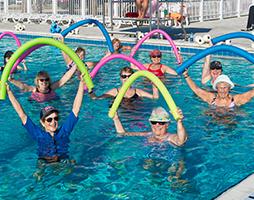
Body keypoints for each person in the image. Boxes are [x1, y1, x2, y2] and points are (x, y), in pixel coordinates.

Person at [6, 75, 85, 163]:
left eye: (55, 118)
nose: (53, 122)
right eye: (49, 119)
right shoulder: (38, 134)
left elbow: (75, 109)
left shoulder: (64, 131)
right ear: (43, 123)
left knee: (73, 163)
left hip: (63, 162)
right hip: (45, 163)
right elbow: (22, 114)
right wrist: (9, 92)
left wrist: (81, 84)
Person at [112, 107, 187, 146]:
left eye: (161, 123)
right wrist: (116, 119)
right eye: (154, 122)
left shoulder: (170, 137)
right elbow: (122, 134)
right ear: (150, 123)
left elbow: (180, 141)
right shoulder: (148, 134)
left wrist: (179, 121)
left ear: (167, 124)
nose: (157, 125)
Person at [184, 72, 254, 109]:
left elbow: (251, 92)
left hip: (230, 124)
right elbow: (196, 89)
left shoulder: (236, 99)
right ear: (216, 88)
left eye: (225, 88)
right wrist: (186, 75)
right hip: (213, 121)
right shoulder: (211, 98)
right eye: (220, 88)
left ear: (229, 88)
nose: (222, 91)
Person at [8, 65, 77, 102]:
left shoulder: (51, 87)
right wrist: (11, 80)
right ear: (37, 81)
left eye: (46, 80)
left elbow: (64, 79)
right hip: (36, 105)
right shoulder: (34, 89)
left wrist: (75, 66)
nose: (44, 82)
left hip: (52, 103)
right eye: (41, 80)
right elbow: (23, 86)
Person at [89, 67, 159, 100]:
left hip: (136, 116)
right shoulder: (115, 91)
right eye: (124, 76)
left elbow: (155, 98)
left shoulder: (138, 91)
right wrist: (90, 89)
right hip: (121, 117)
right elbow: (96, 98)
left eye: (129, 76)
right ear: (120, 78)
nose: (127, 79)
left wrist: (154, 85)